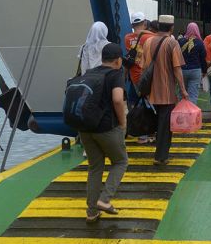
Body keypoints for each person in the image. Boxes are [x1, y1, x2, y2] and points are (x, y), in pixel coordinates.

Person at [79, 43, 129, 224]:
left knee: (95, 167)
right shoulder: (116, 73)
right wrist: (123, 122)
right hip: (106, 128)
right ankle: (105, 199)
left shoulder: (91, 73)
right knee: (120, 161)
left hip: (85, 128)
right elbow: (117, 99)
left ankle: (91, 212)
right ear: (118, 60)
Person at [140, 15, 189, 165]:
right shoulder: (172, 43)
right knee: (165, 125)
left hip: (150, 90)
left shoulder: (148, 42)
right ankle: (161, 156)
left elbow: (143, 66)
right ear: (171, 27)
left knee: (156, 122)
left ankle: (157, 151)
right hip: (166, 92)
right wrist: (183, 90)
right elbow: (177, 69)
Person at [123, 12, 154, 143]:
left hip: (133, 75)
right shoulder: (149, 37)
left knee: (135, 102)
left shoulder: (127, 38)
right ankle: (144, 134)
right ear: (144, 22)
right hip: (146, 76)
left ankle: (134, 129)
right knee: (147, 104)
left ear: (132, 24)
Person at [178, 22, 206, 105]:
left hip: (182, 70)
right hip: (195, 70)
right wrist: (204, 71)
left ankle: (181, 113)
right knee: (193, 95)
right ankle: (191, 116)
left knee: (181, 93)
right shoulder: (200, 43)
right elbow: (203, 58)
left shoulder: (180, 41)